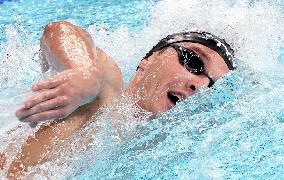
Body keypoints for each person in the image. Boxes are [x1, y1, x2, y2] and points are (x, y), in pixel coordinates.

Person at [0, 21, 235, 178]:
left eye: (211, 85)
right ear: (149, 59)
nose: (200, 85)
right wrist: (84, 74)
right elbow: (60, 31)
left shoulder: (151, 152)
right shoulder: (107, 88)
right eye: (194, 63)